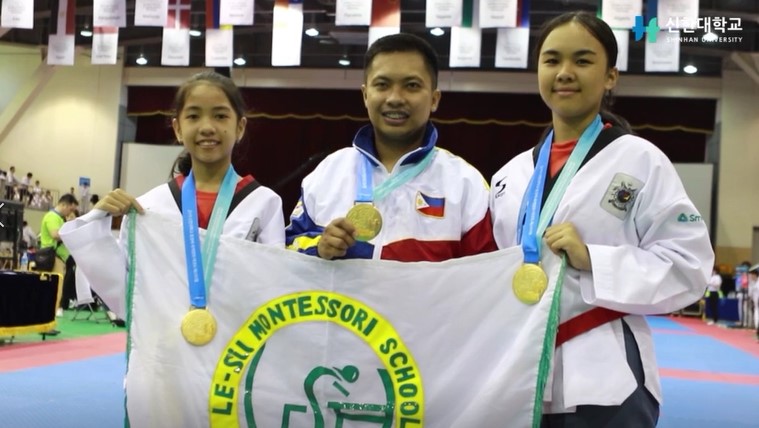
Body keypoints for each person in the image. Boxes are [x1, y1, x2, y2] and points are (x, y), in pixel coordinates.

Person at [489, 12, 714, 427]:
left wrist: (593, 258)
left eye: (583, 60)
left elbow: (689, 266)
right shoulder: (508, 177)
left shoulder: (640, 160)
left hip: (607, 376)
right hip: (518, 372)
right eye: (552, 60)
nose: (565, 73)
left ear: (610, 77)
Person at [60, 70, 285, 321]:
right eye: (193, 116)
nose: (207, 127)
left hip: (237, 350)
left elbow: (274, 288)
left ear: (240, 127)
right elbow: (125, 294)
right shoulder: (149, 207)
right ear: (178, 128)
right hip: (164, 351)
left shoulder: (264, 203)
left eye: (220, 116)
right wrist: (95, 221)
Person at [286, 33, 496, 261]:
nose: (395, 98)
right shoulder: (329, 171)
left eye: (412, 85)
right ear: (366, 95)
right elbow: (287, 249)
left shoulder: (465, 182)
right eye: (382, 85)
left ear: (434, 99)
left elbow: (485, 274)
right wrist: (319, 247)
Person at [39, 193, 79, 333]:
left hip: (59, 259)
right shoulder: (52, 217)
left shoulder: (58, 218)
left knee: (56, 292)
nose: (70, 212)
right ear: (64, 205)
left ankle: (49, 324)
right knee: (54, 292)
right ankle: (46, 324)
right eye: (70, 209)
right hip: (53, 258)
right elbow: (55, 235)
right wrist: (69, 228)